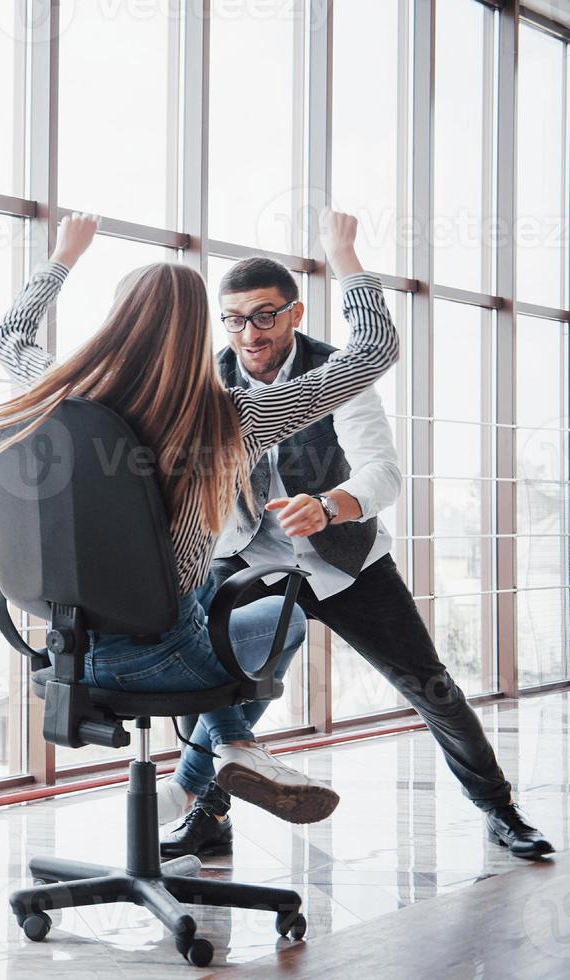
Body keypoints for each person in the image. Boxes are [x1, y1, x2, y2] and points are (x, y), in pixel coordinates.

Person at [0, 208, 399, 824]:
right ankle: (229, 749)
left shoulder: (59, 387)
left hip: (61, 640)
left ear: (115, 321)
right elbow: (374, 350)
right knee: (286, 619)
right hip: (160, 652)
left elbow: (9, 336)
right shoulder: (231, 417)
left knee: (197, 583)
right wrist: (345, 257)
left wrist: (64, 256)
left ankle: (210, 768)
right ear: (204, 328)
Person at [156, 257, 555, 860]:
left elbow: (383, 471)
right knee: (219, 683)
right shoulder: (209, 384)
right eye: (235, 320)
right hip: (243, 558)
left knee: (429, 686)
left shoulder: (334, 372)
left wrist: (330, 505)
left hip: (343, 559)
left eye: (265, 316)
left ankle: (500, 810)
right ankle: (210, 814)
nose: (250, 333)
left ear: (295, 313)